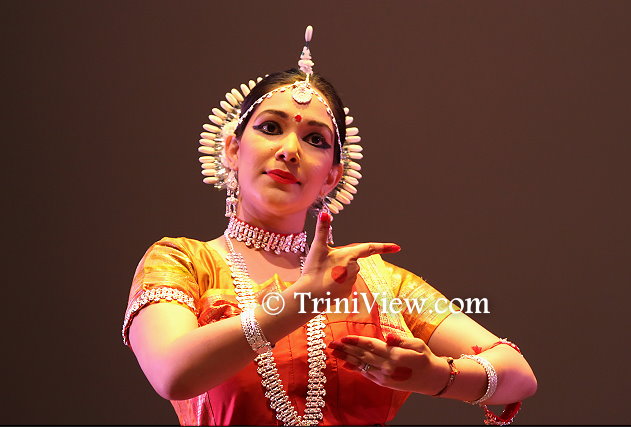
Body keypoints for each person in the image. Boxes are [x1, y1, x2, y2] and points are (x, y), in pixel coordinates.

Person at [122, 26, 537, 426]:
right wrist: (304, 298)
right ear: (233, 148)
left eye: (315, 139)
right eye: (270, 128)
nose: (289, 150)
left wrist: (438, 377)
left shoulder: (373, 281)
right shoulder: (182, 262)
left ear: (332, 177)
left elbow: (517, 374)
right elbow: (172, 373)